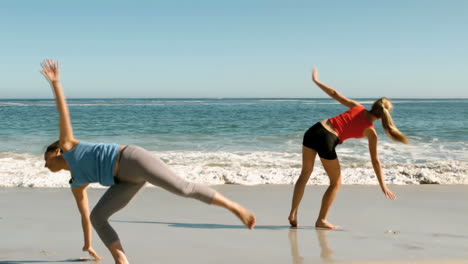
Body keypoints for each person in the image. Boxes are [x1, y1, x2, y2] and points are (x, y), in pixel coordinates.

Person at [40, 59, 256, 264]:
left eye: (45, 158)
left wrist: (56, 83)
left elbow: (63, 112)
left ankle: (234, 207)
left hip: (132, 159)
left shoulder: (68, 145)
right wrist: (88, 245)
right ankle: (121, 259)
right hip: (125, 182)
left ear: (56, 151)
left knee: (183, 189)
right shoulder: (76, 183)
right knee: (98, 216)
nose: (45, 164)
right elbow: (85, 216)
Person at [288, 68, 408, 229]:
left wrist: (316, 81)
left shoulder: (357, 107)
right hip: (327, 138)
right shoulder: (371, 132)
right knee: (336, 182)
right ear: (383, 115)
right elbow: (375, 161)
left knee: (305, 173)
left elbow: (334, 93)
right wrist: (383, 185)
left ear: (373, 106)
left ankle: (293, 213)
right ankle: (321, 220)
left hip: (314, 130)